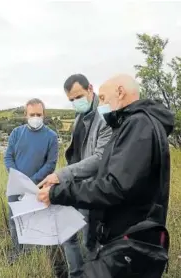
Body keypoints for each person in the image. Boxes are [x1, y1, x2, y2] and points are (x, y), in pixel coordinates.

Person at [38, 74, 174, 278]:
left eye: (102, 98)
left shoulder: (138, 125)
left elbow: (115, 186)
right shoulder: (133, 123)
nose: (100, 104)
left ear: (120, 92)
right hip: (127, 235)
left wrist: (58, 192)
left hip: (129, 238)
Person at [45, 74, 112, 278]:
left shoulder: (105, 116)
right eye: (71, 100)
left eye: (78, 97)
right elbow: (75, 153)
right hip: (74, 186)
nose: (76, 102)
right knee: (68, 235)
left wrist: (62, 174)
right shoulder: (79, 117)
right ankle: (75, 273)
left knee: (90, 241)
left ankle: (92, 273)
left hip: (92, 189)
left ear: (90, 88)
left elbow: (100, 158)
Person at [4, 98, 59, 262]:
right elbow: (8, 157)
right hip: (15, 186)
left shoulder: (51, 136)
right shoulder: (16, 133)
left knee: (36, 223)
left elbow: (51, 164)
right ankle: (17, 254)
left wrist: (30, 182)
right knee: (15, 222)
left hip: (38, 189)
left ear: (44, 114)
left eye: (39, 114)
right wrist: (18, 179)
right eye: (32, 114)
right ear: (25, 115)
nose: (35, 117)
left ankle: (36, 258)